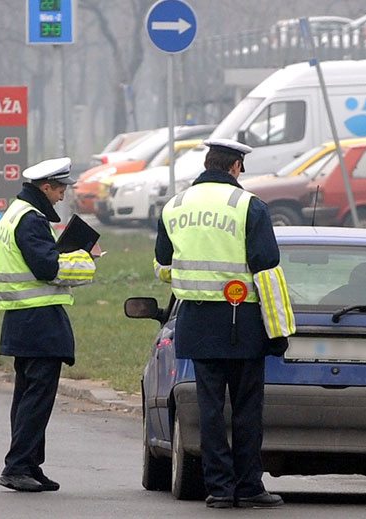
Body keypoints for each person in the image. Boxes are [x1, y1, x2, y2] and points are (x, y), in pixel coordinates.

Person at [154, 139, 295, 509]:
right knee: (247, 408)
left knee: (210, 409)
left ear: (207, 164)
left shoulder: (174, 206)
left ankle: (217, 487)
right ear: (235, 167)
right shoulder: (249, 206)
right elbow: (267, 271)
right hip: (244, 321)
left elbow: (163, 266)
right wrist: (278, 330)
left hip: (196, 320)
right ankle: (248, 485)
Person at [0, 157, 96, 493]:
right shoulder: (30, 219)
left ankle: (29, 464)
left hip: (24, 318)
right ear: (46, 186)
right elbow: (47, 267)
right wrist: (84, 258)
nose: (62, 196)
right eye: (60, 189)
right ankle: (18, 465)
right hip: (39, 319)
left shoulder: (16, 214)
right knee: (36, 398)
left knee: (27, 396)